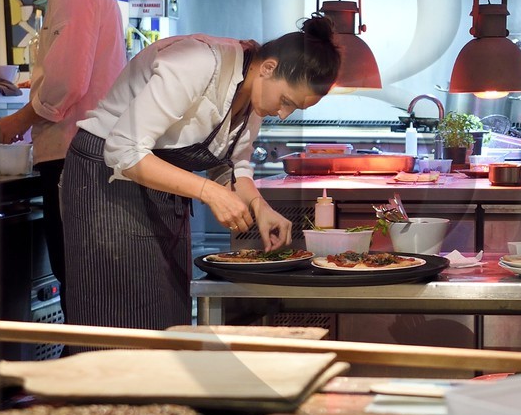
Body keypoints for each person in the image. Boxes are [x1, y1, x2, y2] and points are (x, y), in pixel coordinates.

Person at [60, 17, 340, 331]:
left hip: (159, 193)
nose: (283, 112)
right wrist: (207, 191)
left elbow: (232, 166)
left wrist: (259, 206)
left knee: (168, 318)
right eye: (286, 101)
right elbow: (123, 149)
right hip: (105, 184)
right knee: (120, 322)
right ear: (269, 68)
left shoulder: (255, 99)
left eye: (294, 108)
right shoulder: (198, 62)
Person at [0, 0, 128, 298]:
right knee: (82, 276)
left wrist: (18, 120)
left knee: (79, 277)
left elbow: (67, 81)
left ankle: (86, 357)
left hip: (76, 156)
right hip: (83, 154)